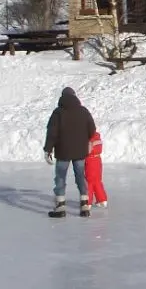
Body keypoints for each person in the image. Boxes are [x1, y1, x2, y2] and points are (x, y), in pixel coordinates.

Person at [43, 87, 97, 218]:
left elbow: (52, 133)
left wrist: (48, 149)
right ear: (75, 96)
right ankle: (85, 206)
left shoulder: (58, 112)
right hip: (80, 151)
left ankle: (60, 207)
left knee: (60, 177)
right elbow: (92, 129)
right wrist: (84, 139)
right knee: (80, 176)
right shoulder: (83, 111)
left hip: (63, 151)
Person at [85, 131, 109, 208]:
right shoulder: (97, 137)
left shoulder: (88, 138)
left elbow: (87, 151)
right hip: (98, 161)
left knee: (89, 183)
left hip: (90, 161)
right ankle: (102, 200)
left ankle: (87, 202)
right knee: (97, 181)